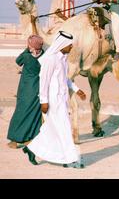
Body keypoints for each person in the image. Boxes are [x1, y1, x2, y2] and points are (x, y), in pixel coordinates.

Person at [23, 31, 87, 168]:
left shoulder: (63, 59)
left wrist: (76, 89)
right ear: (62, 45)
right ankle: (69, 159)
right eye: (69, 45)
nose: (71, 48)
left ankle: (31, 149)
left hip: (62, 99)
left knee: (52, 128)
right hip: (52, 101)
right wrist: (44, 101)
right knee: (63, 127)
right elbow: (43, 81)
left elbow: (64, 79)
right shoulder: (50, 59)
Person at [7, 35, 44, 149]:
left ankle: (14, 139)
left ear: (31, 46)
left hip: (25, 89)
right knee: (34, 114)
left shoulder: (27, 57)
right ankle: (30, 138)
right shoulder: (45, 56)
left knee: (20, 112)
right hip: (39, 88)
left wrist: (26, 50)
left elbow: (18, 61)